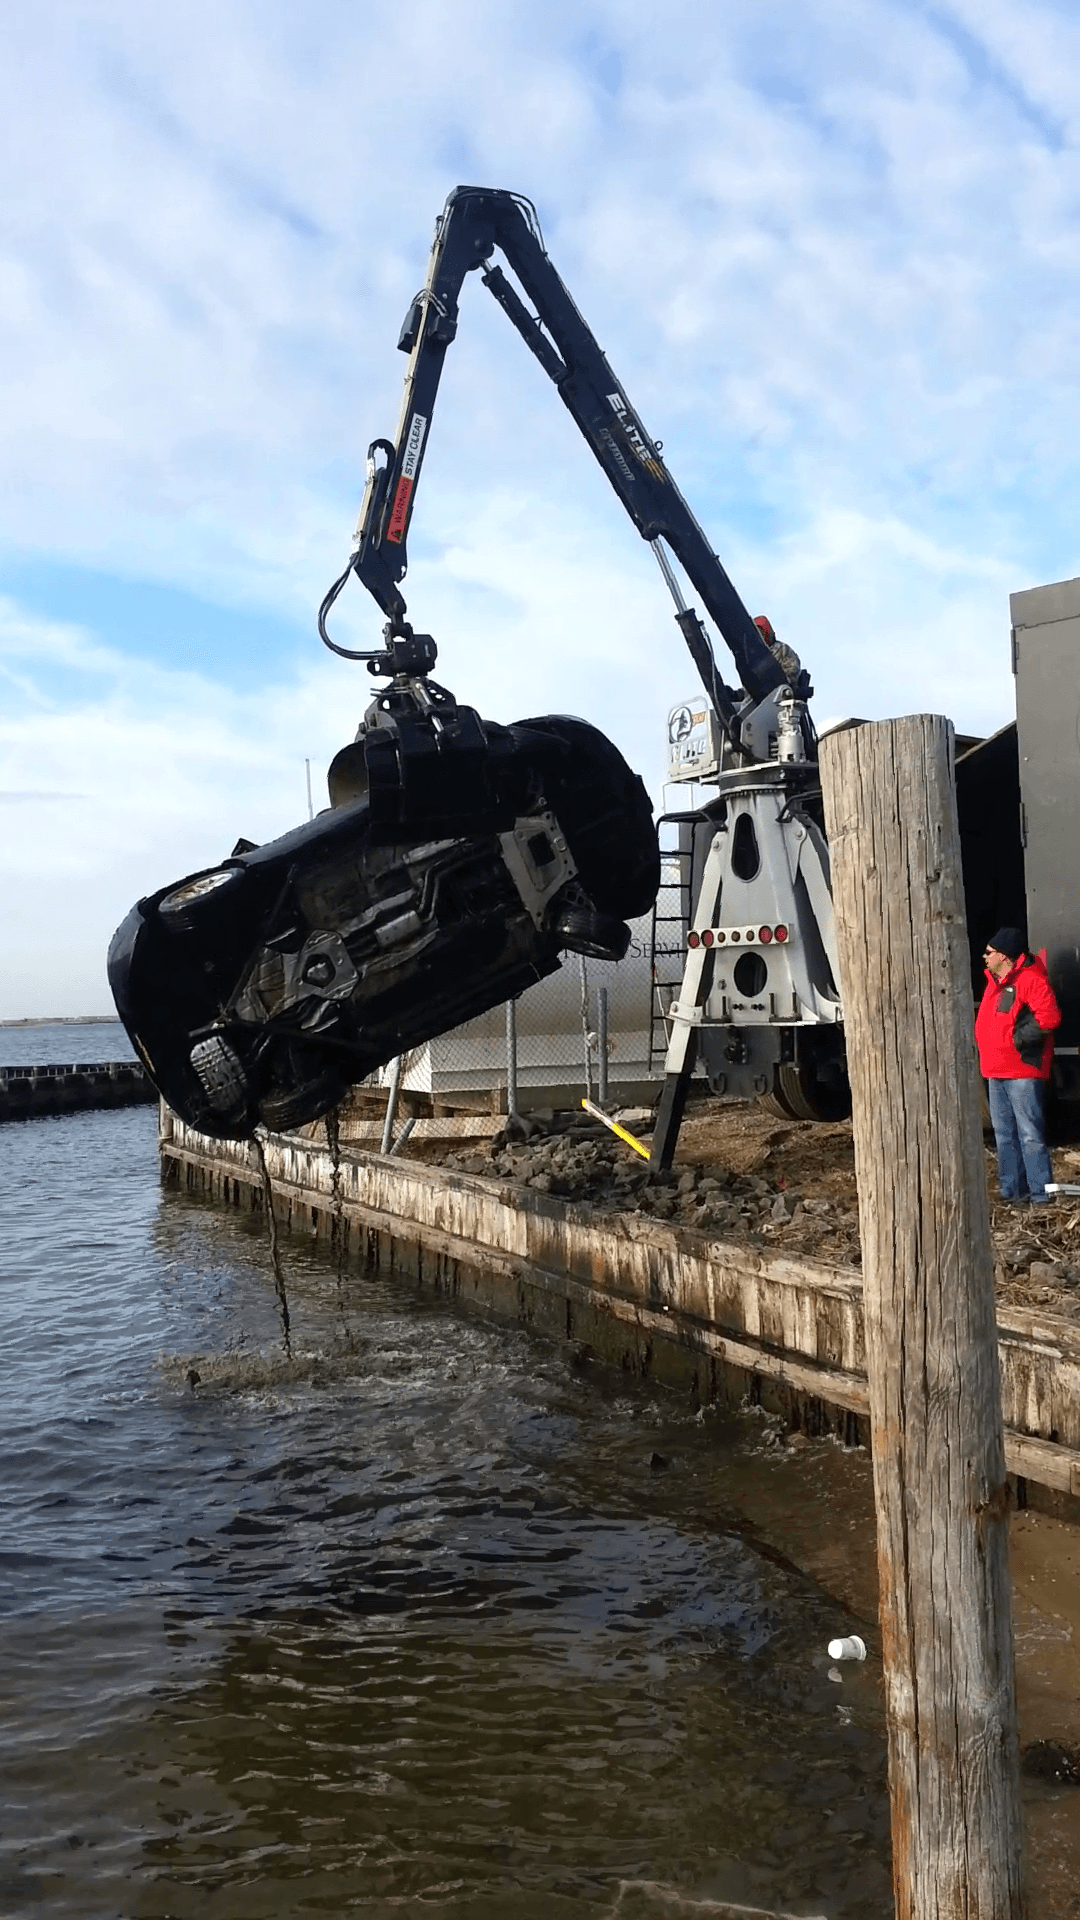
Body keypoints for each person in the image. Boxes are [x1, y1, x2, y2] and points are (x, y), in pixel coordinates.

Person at [975, 927, 1061, 1206]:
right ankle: (1013, 1194)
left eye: (989, 952)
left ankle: (1040, 1196)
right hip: (995, 1070)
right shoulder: (994, 982)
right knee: (1005, 1135)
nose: (984, 957)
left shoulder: (1031, 980)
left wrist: (1015, 1041)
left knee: (1029, 1135)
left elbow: (1048, 1018)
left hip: (1021, 1071)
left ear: (1004, 955)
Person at [753, 613, 802, 687]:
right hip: (763, 694)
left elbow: (793, 670)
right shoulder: (755, 657)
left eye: (761, 631)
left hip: (781, 691)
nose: (760, 635)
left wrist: (776, 680)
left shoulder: (782, 649)